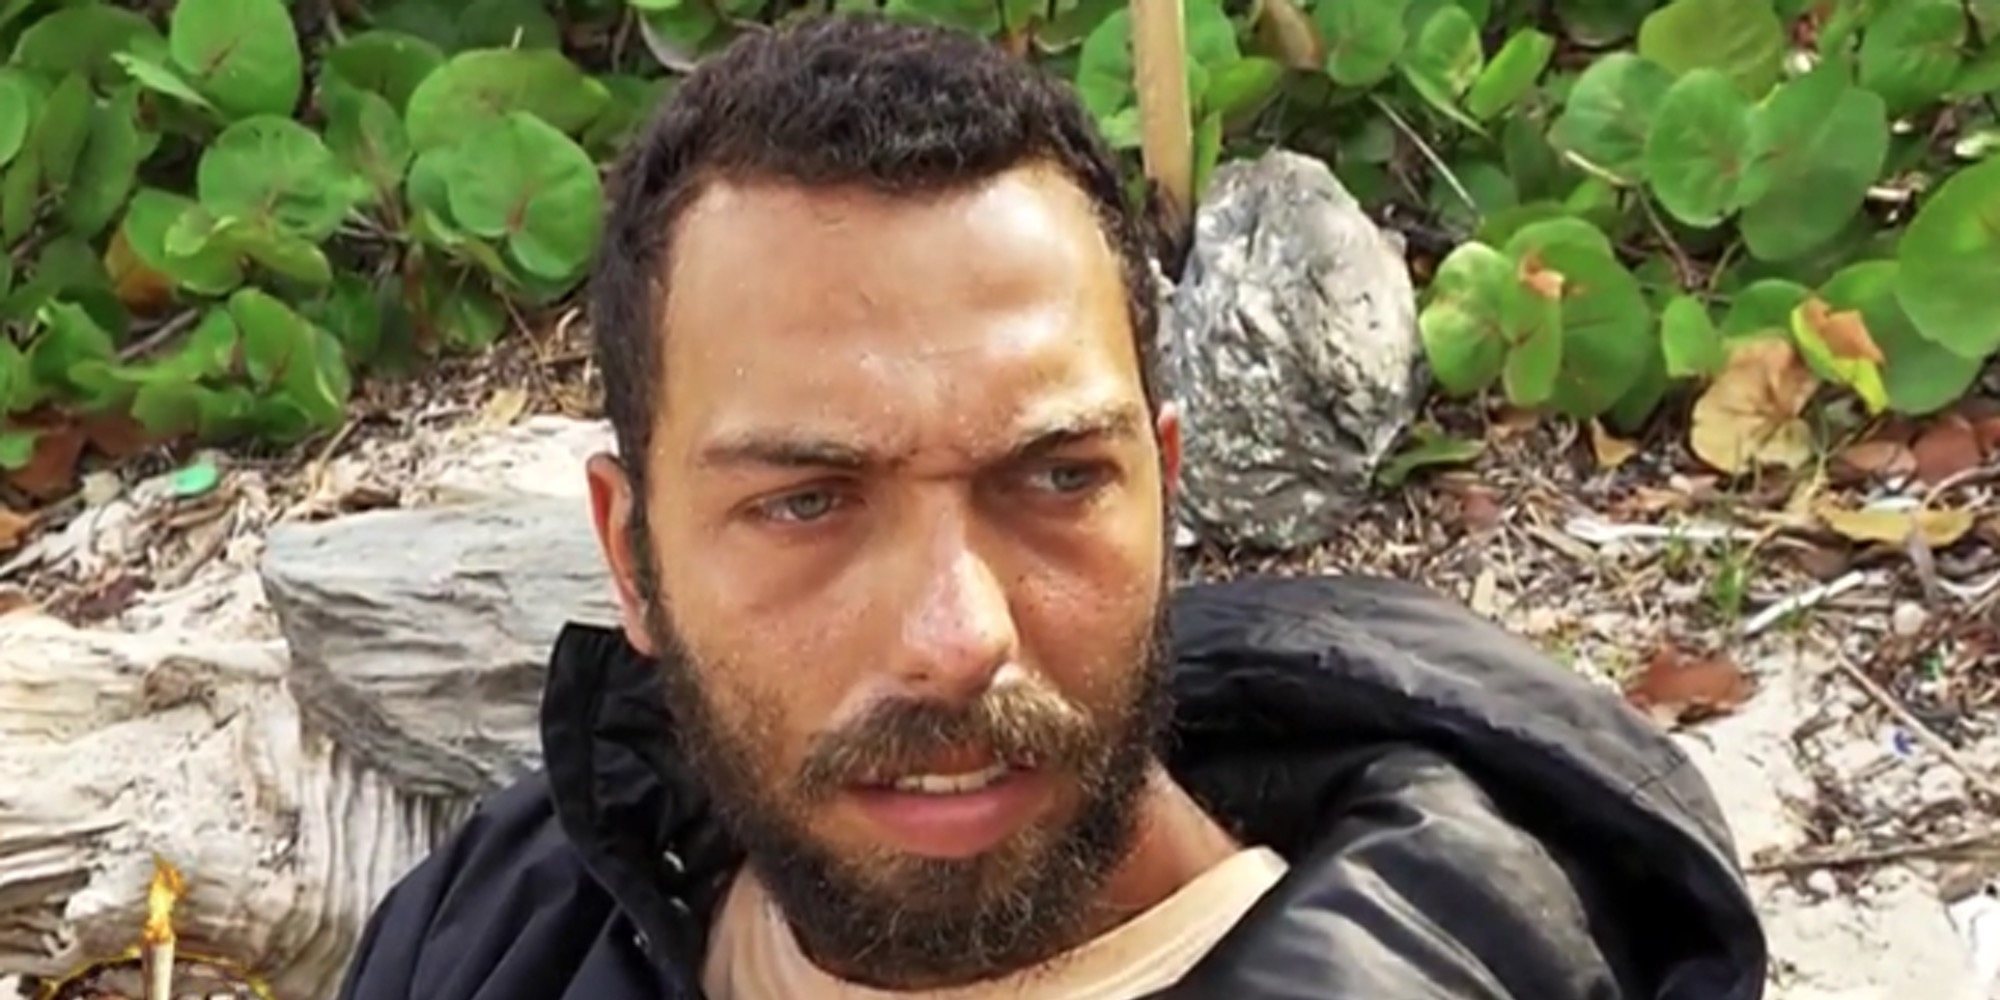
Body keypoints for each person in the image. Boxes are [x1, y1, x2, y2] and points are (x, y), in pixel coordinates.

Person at [335, 14, 1766, 1000]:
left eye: (1057, 479)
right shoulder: (507, 917)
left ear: (1166, 491)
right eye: (809, 502)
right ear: (631, 555)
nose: (958, 640)